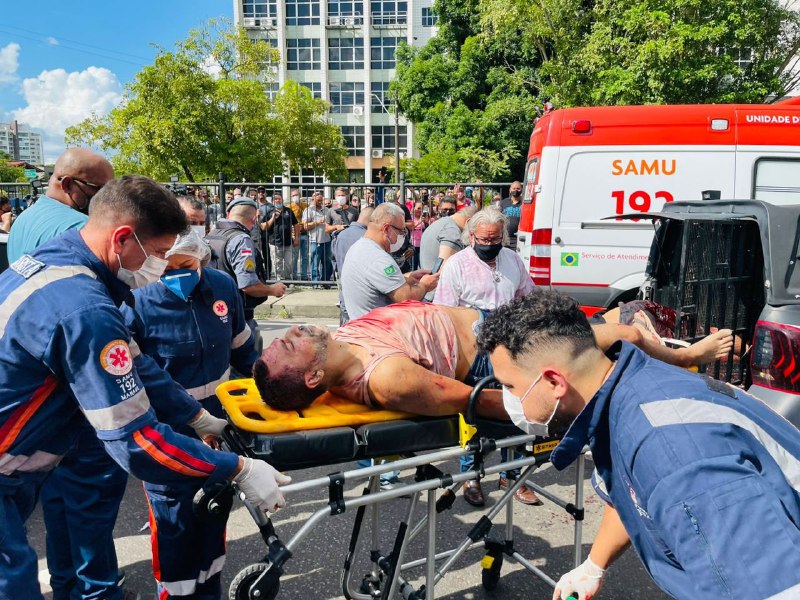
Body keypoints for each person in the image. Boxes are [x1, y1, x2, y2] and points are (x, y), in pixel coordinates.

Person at [0, 175, 289, 600]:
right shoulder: (85, 309)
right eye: (156, 254)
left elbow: (137, 362)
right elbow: (135, 442)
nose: (158, 266)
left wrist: (197, 416)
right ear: (122, 238)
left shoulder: (61, 263)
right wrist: (237, 469)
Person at [476, 290, 800, 600]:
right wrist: (594, 565)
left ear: (553, 382)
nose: (508, 398)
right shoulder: (624, 386)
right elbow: (630, 492)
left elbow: (772, 588)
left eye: (509, 386)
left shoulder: (675, 460)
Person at [121, 230, 258, 599]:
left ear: (201, 258)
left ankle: (209, 590)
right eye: (167, 269)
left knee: (213, 511)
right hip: (168, 432)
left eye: (186, 266)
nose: (177, 275)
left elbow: (242, 346)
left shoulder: (221, 286)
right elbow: (138, 374)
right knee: (174, 523)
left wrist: (266, 387)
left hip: (218, 427)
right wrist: (191, 416)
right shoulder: (136, 297)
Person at [433, 207, 539, 507]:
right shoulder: (456, 265)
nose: (490, 244)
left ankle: (512, 475)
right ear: (471, 237)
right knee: (476, 411)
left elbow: (527, 295)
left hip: (510, 343)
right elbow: (443, 312)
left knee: (516, 408)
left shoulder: (512, 259)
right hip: (475, 347)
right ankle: (472, 476)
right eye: (484, 239)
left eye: (496, 239)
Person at [205, 196, 286, 353]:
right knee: (247, 361)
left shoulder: (210, 235)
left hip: (211, 313)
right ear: (254, 219)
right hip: (236, 319)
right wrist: (272, 290)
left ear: (228, 214)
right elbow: (248, 285)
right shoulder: (241, 240)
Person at [7, 148, 114, 263]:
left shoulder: (22, 219)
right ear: (67, 184)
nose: (107, 196)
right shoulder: (84, 228)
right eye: (101, 189)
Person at [340, 203, 440, 320]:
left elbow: (378, 280)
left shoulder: (359, 247)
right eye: (401, 231)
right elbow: (404, 297)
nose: (403, 236)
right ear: (386, 229)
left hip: (362, 323)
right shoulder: (378, 258)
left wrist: (409, 278)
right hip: (377, 328)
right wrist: (425, 285)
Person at [332, 207, 373, 324]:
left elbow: (335, 262)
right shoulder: (368, 237)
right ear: (371, 221)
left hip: (345, 296)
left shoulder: (340, 235)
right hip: (362, 301)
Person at [264, 193, 299, 280]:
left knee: (289, 263)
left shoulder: (288, 211)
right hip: (275, 242)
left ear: (282, 200)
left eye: (279, 199)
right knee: (277, 263)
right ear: (272, 201)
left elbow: (296, 224)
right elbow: (264, 227)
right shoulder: (269, 212)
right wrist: (273, 218)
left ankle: (287, 279)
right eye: (275, 199)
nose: (278, 200)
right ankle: (280, 280)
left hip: (288, 242)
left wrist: (297, 238)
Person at [302, 192, 332, 284]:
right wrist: (317, 222)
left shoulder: (326, 209)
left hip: (327, 240)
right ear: (312, 200)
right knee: (315, 263)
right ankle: (315, 283)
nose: (320, 202)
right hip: (315, 241)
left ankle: (325, 282)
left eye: (321, 200)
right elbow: (305, 226)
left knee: (327, 263)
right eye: (318, 200)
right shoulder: (309, 210)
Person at [289, 189, 309, 280]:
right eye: (293, 195)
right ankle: (294, 276)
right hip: (295, 235)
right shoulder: (289, 207)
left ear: (300, 195)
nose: (295, 197)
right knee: (294, 257)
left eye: (296, 195)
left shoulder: (305, 205)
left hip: (305, 233)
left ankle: (304, 276)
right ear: (291, 197)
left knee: (305, 257)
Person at [499, 181, 523, 251]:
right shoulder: (504, 202)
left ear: (521, 190)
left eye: (518, 189)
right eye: (514, 188)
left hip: (518, 239)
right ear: (510, 190)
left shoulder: (524, 203)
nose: (516, 190)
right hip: (505, 238)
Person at [410, 201, 428, 270]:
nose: (420, 210)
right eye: (418, 208)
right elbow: (411, 227)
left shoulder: (424, 217)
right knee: (413, 264)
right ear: (414, 208)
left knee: (421, 264)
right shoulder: (411, 218)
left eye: (422, 209)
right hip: (413, 244)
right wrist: (419, 222)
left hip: (422, 244)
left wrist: (426, 222)